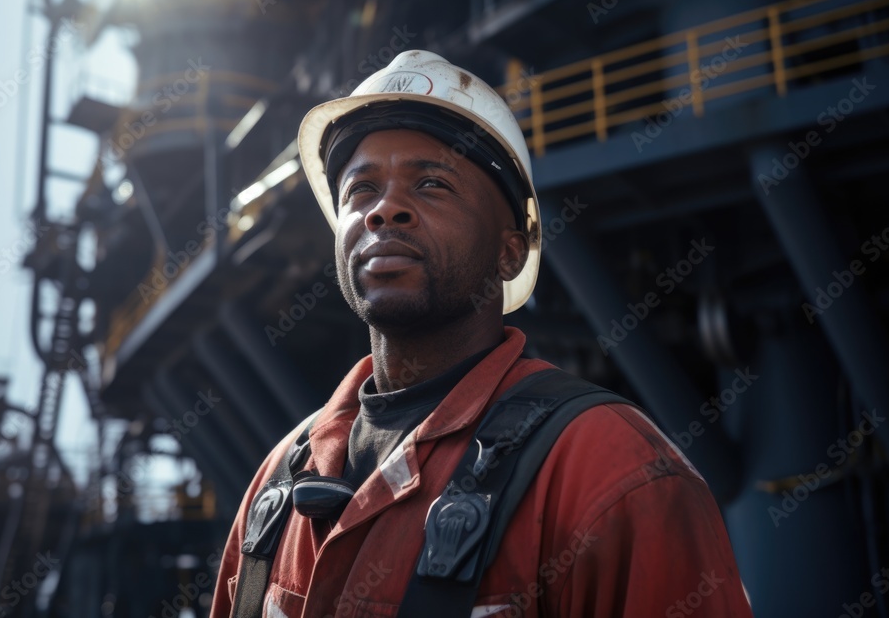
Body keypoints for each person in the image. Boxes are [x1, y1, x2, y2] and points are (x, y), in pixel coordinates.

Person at [209, 50, 753, 617]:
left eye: (431, 184)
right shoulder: (277, 486)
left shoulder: (612, 472)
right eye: (360, 191)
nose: (384, 210)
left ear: (509, 251)